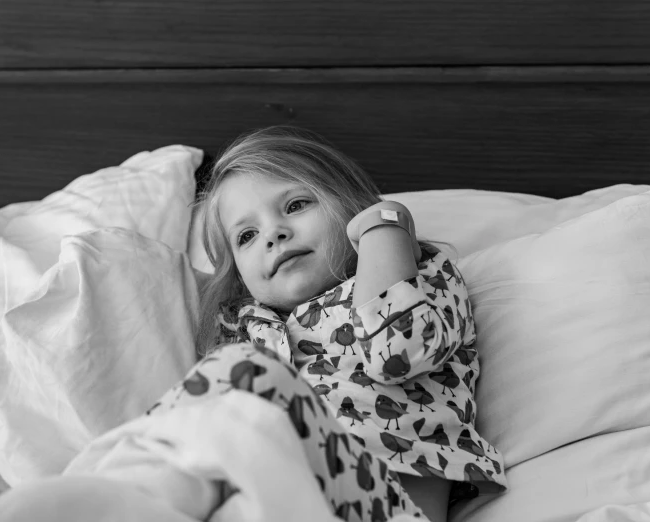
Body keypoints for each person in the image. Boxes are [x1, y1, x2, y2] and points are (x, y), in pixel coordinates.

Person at [150, 125, 506, 522]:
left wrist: (385, 227)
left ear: (351, 206)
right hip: (266, 494)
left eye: (296, 205)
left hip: (382, 503)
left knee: (240, 373)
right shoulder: (247, 325)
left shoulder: (420, 275)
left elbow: (397, 354)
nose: (275, 234)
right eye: (247, 235)